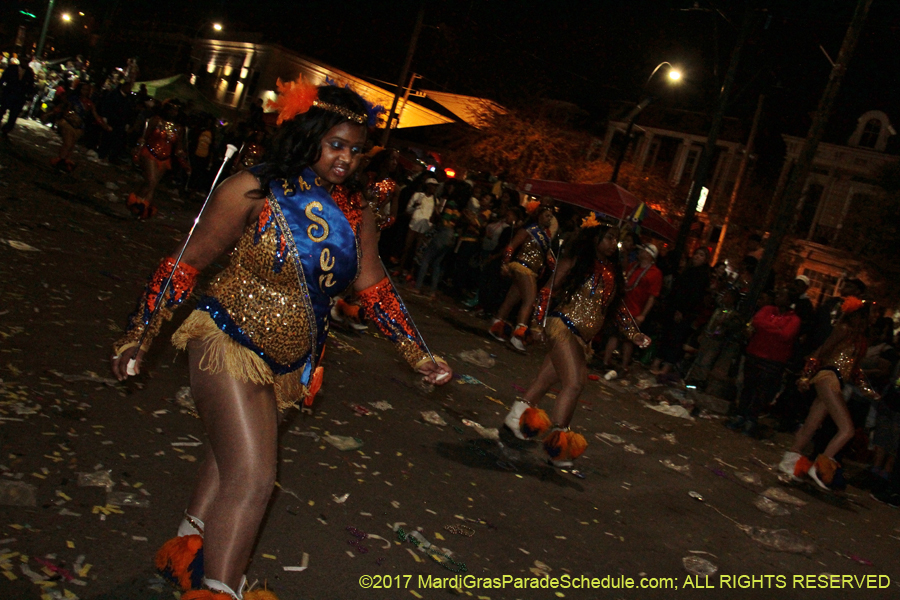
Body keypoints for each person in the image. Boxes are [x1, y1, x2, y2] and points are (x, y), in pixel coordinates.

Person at [110, 80, 452, 600]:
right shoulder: (255, 188)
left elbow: (374, 286)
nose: (346, 159)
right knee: (252, 478)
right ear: (309, 134)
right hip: (227, 337)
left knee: (230, 458)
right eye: (335, 144)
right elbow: (185, 264)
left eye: (356, 150)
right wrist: (138, 335)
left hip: (294, 360)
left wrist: (418, 353)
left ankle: (189, 549)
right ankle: (220, 591)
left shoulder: (356, 211)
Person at [502, 223, 649, 467]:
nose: (614, 244)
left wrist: (633, 333)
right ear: (595, 239)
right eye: (609, 238)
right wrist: (537, 325)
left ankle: (515, 421)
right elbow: (546, 292)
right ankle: (558, 447)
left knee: (545, 380)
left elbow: (616, 308)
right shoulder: (577, 261)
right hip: (562, 326)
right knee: (574, 383)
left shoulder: (613, 272)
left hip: (582, 338)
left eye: (616, 240)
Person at [779, 298, 877, 490]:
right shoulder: (844, 330)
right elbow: (822, 352)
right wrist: (806, 376)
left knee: (811, 425)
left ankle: (791, 462)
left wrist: (869, 391)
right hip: (829, 378)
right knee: (847, 429)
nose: (871, 320)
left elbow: (854, 370)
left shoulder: (858, 339)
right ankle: (820, 468)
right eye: (869, 316)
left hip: (836, 380)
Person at [726, 287, 801, 437]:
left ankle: (751, 419)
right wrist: (776, 328)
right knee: (748, 387)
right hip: (755, 353)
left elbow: (786, 335)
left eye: (782, 295)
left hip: (773, 360)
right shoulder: (768, 309)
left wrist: (768, 328)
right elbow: (757, 322)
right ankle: (741, 415)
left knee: (762, 392)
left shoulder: (794, 319)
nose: (778, 296)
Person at [488, 206, 555, 352]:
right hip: (522, 267)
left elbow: (548, 256)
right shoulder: (529, 229)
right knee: (529, 301)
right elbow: (511, 246)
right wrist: (505, 263)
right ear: (538, 216)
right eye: (547, 216)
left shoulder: (546, 236)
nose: (549, 219)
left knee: (511, 299)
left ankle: (496, 326)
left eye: (551, 217)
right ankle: (518, 336)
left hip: (532, 271)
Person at [602, 243, 662, 373]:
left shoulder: (655, 273)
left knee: (629, 339)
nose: (639, 254)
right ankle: (606, 361)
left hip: (636, 310)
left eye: (642, 251)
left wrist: (643, 315)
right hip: (622, 306)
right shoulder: (633, 266)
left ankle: (624, 366)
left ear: (649, 255)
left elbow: (652, 297)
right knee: (614, 335)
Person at [127, 99, 190, 219]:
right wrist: (137, 151)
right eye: (171, 109)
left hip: (165, 159)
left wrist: (184, 162)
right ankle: (135, 204)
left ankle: (142, 209)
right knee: (150, 180)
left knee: (153, 184)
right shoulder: (156, 120)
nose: (173, 112)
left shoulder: (179, 129)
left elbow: (178, 148)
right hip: (150, 152)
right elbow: (144, 137)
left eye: (176, 110)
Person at [49, 82, 111, 172]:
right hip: (68, 123)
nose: (85, 92)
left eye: (87, 90)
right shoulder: (73, 99)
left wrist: (104, 126)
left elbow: (96, 116)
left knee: (71, 145)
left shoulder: (90, 104)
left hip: (79, 126)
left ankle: (63, 161)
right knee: (68, 143)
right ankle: (60, 161)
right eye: (84, 89)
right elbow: (63, 108)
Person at [396, 177, 438, 276]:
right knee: (407, 247)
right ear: (427, 186)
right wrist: (414, 207)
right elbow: (408, 210)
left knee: (417, 252)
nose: (433, 188)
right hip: (414, 224)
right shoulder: (418, 195)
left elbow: (435, 216)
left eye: (435, 186)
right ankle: (400, 268)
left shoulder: (435, 200)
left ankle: (411, 272)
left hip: (425, 227)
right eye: (432, 186)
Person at [362, 148, 401, 230]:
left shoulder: (394, 187)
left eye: (396, 160)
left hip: (372, 227)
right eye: (392, 159)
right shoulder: (366, 178)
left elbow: (393, 215)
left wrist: (381, 223)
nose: (394, 163)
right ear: (384, 159)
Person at [0, 58, 36, 137]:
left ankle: (6, 129)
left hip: (19, 97)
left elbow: (31, 85)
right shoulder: (12, 68)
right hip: (9, 93)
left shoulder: (29, 73)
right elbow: (3, 78)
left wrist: (29, 95)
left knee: (13, 115)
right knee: (2, 110)